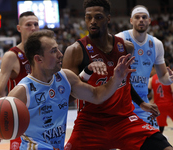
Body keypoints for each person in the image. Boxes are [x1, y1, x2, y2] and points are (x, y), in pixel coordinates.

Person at [0, 29, 136, 150]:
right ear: (38, 59)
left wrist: (116, 78)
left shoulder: (65, 77)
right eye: (54, 51)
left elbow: (96, 95)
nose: (60, 55)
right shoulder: (22, 91)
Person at [62, 0, 173, 149]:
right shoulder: (74, 50)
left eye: (98, 17)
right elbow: (66, 96)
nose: (92, 22)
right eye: (88, 17)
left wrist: (141, 103)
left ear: (108, 18)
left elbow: (125, 82)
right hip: (90, 123)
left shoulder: (126, 47)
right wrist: (87, 71)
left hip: (124, 120)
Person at [0, 11, 39, 150]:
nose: (33, 28)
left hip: (42, 119)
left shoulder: (45, 53)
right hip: (19, 122)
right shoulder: (12, 56)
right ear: (19, 28)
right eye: (28, 25)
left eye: (36, 24)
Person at [116, 5, 173, 129]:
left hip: (143, 104)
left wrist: (170, 79)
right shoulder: (120, 38)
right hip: (120, 103)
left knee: (156, 142)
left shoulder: (156, 44)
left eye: (144, 17)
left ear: (149, 21)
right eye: (137, 17)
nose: (141, 19)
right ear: (131, 20)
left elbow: (163, 76)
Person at [148, 60, 173, 134]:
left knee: (160, 128)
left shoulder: (152, 78)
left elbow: (147, 93)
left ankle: (160, 143)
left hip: (158, 106)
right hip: (169, 104)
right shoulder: (170, 77)